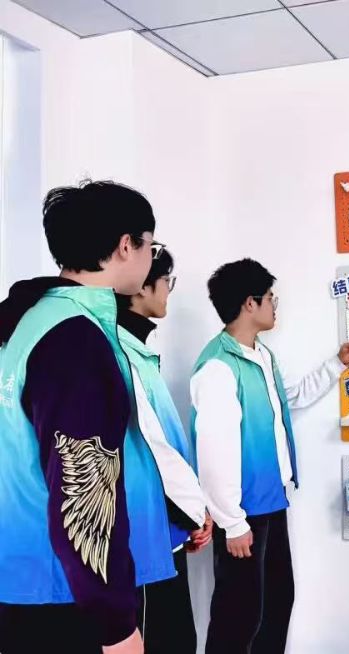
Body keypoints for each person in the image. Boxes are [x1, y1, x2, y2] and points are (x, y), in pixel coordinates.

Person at [0, 181, 175, 654]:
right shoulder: (75, 339)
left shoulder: (27, 320)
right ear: (126, 246)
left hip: (25, 579)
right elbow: (82, 488)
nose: (150, 256)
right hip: (64, 596)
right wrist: (115, 626)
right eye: (150, 244)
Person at [190, 258, 349, 653]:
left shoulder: (261, 356)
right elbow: (213, 452)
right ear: (249, 303)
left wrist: (338, 363)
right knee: (238, 616)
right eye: (270, 297)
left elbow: (293, 397)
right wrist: (232, 523)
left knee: (275, 603)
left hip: (271, 502)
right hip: (243, 512)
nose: (275, 305)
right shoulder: (218, 368)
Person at [116, 249, 212, 654]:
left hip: (163, 523)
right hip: (140, 533)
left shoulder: (140, 349)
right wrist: (194, 510)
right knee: (162, 639)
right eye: (166, 281)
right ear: (141, 285)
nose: (168, 291)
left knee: (176, 636)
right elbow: (152, 446)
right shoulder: (120, 352)